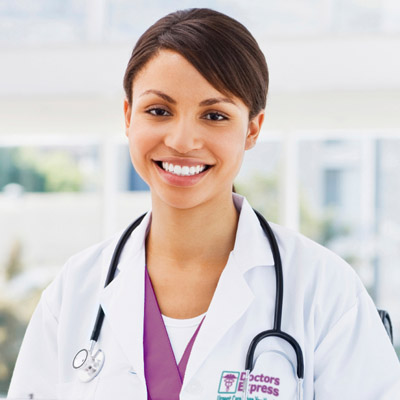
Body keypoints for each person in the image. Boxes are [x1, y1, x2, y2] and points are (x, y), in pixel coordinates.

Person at [7, 7, 400, 400]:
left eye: (214, 115)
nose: (182, 140)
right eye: (159, 111)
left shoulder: (324, 290)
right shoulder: (74, 292)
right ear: (128, 116)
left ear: (252, 129)